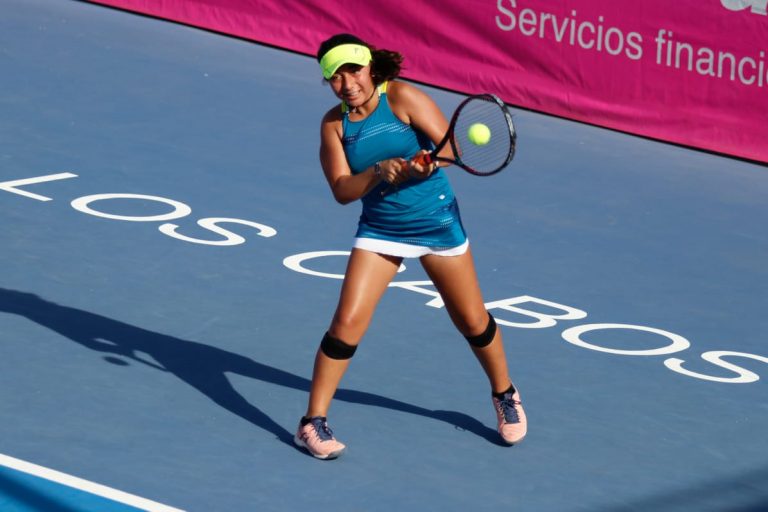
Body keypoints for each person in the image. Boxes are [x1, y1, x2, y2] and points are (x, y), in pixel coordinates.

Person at [294, 33, 526, 460]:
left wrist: (425, 165)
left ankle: (504, 393)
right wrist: (378, 172)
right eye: (335, 76)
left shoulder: (402, 97)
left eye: (353, 71)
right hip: (380, 228)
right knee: (346, 323)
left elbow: (450, 147)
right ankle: (312, 421)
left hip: (435, 222)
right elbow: (342, 190)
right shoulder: (334, 125)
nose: (347, 84)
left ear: (370, 67)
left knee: (472, 320)